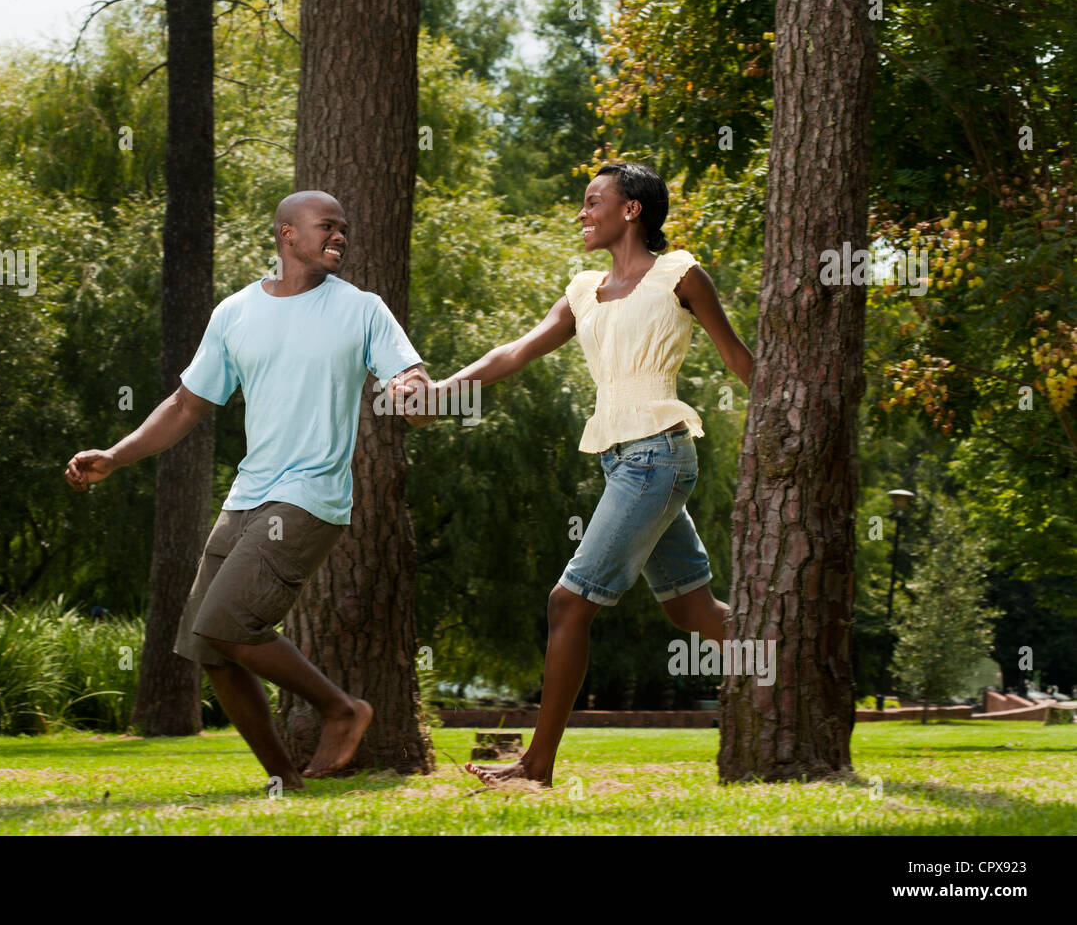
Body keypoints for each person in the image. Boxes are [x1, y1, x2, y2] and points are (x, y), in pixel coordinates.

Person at [397, 162, 753, 788]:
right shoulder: (584, 288)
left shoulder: (680, 274)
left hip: (658, 454)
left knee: (568, 603)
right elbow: (517, 350)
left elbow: (734, 355)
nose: (582, 214)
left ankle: (536, 766)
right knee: (691, 611)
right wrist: (443, 395)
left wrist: (795, 421)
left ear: (632, 210)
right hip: (624, 459)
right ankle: (788, 661)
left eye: (593, 202)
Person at [66, 190, 432, 789]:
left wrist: (414, 395)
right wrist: (116, 455)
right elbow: (187, 404)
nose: (339, 236)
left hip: (310, 496)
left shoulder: (362, 309)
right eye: (327, 227)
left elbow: (409, 378)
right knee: (211, 647)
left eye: (344, 228)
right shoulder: (235, 311)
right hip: (246, 497)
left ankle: (343, 709)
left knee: (230, 622)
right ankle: (284, 778)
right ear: (287, 233)